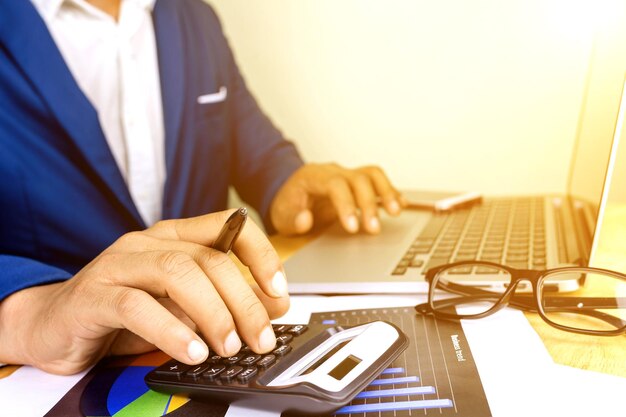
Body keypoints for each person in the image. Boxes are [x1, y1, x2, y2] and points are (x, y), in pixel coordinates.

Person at [0, 0, 404, 375]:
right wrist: (31, 314)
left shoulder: (193, 16)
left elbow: (257, 153)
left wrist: (289, 185)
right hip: (58, 370)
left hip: (212, 350)